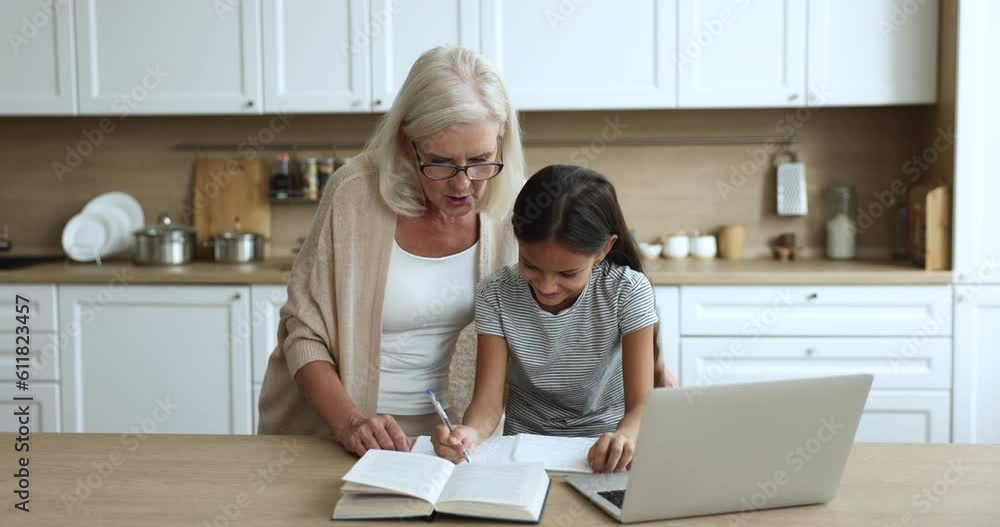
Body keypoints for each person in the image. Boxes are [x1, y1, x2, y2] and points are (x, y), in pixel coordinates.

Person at [256, 46, 526, 457]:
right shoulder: (355, 194)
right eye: (439, 163)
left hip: (455, 441)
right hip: (337, 434)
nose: (463, 184)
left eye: (480, 161)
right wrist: (350, 422)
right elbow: (303, 334)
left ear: (501, 143)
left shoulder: (511, 212)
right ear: (407, 142)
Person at [433, 165, 674, 473]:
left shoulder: (627, 291)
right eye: (531, 265)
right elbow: (488, 404)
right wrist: (470, 434)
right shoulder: (495, 294)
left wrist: (625, 436)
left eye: (567, 273)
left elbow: (641, 404)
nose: (546, 287)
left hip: (606, 449)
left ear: (604, 248)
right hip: (524, 450)